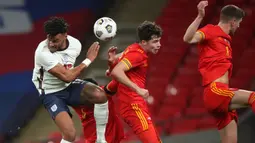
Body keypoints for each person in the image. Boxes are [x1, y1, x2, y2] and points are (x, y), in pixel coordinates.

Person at [183, 1, 255, 143]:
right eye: (239, 22)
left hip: (222, 95)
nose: (239, 26)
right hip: (215, 91)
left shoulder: (226, 40)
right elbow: (188, 38)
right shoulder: (211, 31)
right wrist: (199, 17)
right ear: (233, 21)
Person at [32, 17, 109, 143]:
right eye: (49, 40)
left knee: (99, 95)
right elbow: (67, 77)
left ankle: (101, 140)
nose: (51, 44)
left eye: (55, 40)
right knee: (70, 135)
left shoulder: (75, 45)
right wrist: (88, 60)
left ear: (65, 35)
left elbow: (69, 72)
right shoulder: (43, 53)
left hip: (68, 86)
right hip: (50, 92)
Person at [110, 21, 162, 143]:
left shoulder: (133, 48)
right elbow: (117, 72)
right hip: (133, 105)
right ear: (144, 42)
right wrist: (137, 89)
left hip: (135, 105)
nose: (159, 45)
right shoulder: (138, 55)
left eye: (159, 40)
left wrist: (112, 61)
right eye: (155, 42)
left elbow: (120, 58)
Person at [73, 79, 125, 143]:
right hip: (92, 139)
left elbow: (115, 82)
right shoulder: (75, 101)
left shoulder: (103, 94)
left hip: (109, 137)